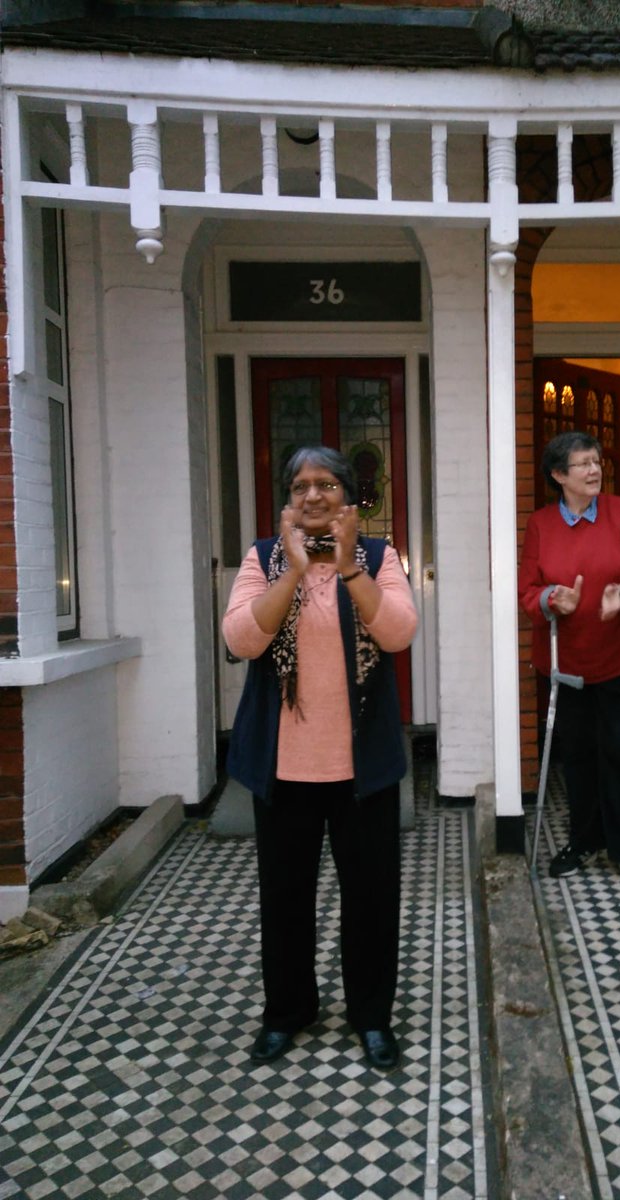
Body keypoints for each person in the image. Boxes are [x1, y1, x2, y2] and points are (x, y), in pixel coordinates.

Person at [223, 445, 418, 1070]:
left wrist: (351, 566)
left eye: (328, 484)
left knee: (370, 899)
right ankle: (288, 1011)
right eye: (301, 485)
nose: (314, 495)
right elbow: (241, 638)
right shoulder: (262, 559)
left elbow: (398, 632)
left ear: (349, 497)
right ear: (287, 498)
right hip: (284, 772)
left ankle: (371, 1017)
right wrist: (294, 572)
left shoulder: (380, 558)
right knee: (284, 898)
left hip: (362, 771)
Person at [518, 431, 620, 890]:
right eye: (582, 464)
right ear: (559, 475)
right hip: (566, 664)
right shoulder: (541, 524)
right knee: (577, 756)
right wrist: (551, 599)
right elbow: (527, 592)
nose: (594, 470)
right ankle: (583, 841)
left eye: (597, 461)